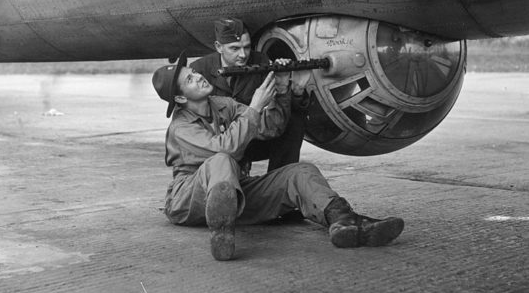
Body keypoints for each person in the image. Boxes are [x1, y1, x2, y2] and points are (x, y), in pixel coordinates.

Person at [152, 51, 404, 261]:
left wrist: (284, 89)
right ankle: (222, 235)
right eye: (189, 79)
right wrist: (254, 107)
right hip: (189, 198)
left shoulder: (222, 104)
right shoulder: (181, 127)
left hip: (233, 192)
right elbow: (225, 148)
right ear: (180, 97)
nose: (198, 76)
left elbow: (271, 126)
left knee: (300, 172)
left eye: (194, 72)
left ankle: (344, 221)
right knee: (221, 160)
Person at [190, 17, 308, 175]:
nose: (243, 54)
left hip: (250, 137)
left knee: (294, 123)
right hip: (219, 143)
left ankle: (281, 182)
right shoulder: (199, 70)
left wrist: (287, 87)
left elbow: (277, 117)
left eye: (247, 47)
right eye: (234, 48)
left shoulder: (260, 61)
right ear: (219, 47)